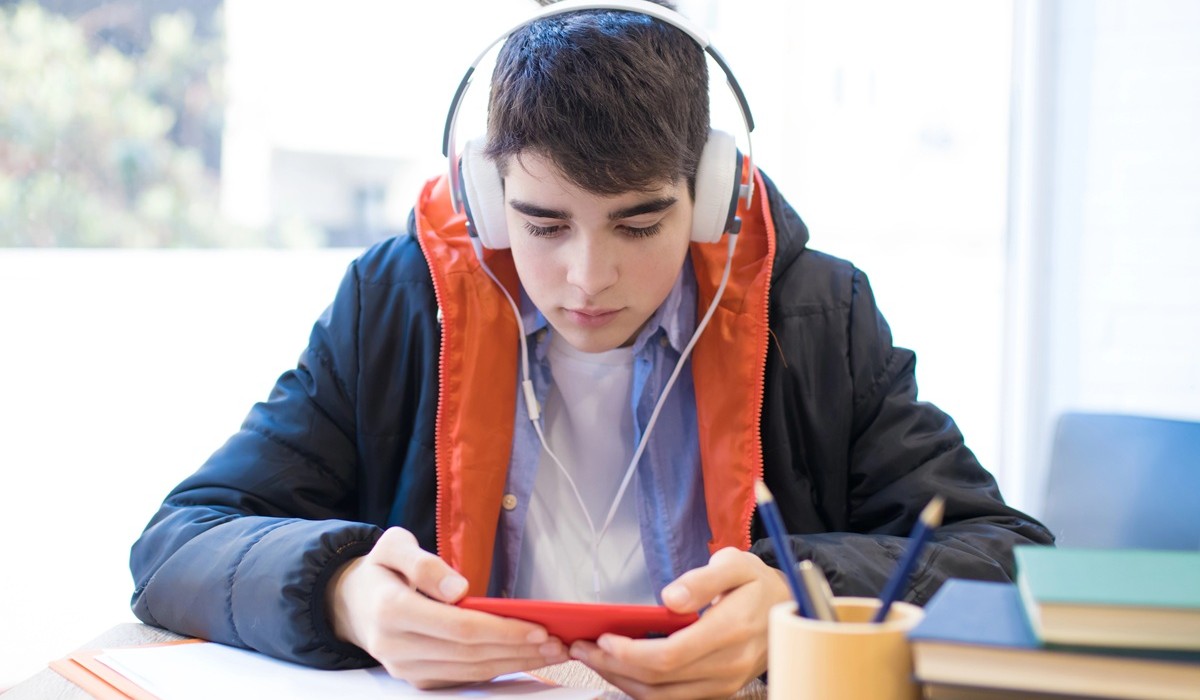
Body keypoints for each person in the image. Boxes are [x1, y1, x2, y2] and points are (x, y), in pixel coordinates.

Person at [129, 1, 1054, 698]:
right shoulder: (398, 302)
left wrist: (800, 598)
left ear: (712, 195)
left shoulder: (816, 313)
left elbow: (1009, 557)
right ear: (487, 200)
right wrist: (343, 595)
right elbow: (180, 542)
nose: (586, 278)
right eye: (543, 224)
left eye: (638, 224)